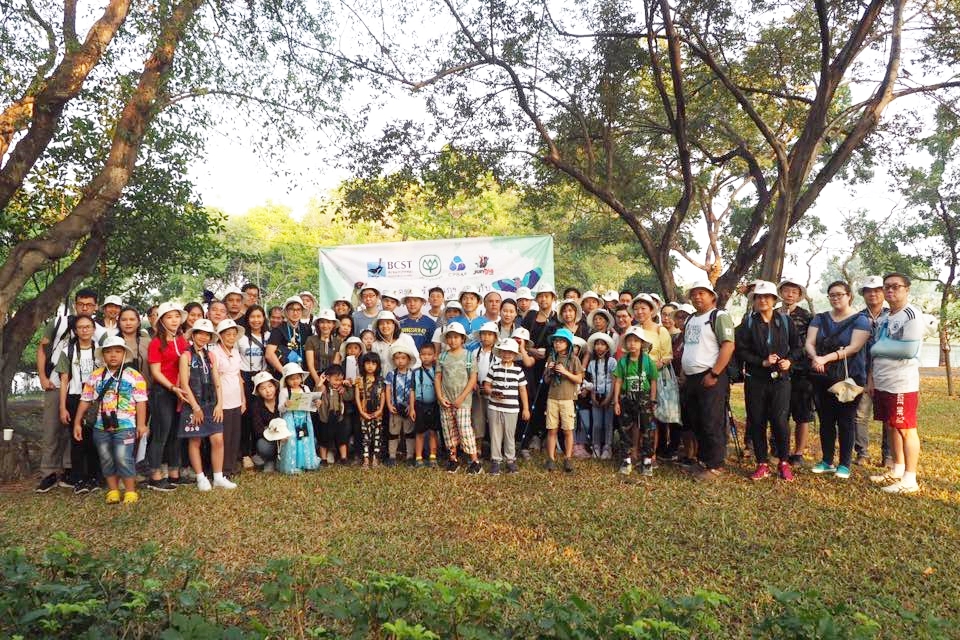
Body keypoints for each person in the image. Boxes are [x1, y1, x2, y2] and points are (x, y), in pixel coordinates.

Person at [36, 288, 105, 492]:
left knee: (77, 431)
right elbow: (42, 349)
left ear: (95, 307)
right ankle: (48, 472)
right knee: (52, 429)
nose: (84, 308)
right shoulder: (59, 323)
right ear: (75, 304)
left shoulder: (99, 332)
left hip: (88, 392)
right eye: (81, 304)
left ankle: (71, 470)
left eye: (89, 305)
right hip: (57, 384)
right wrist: (42, 376)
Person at [735, 281, 802, 482]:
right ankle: (762, 463)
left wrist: (789, 361)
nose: (763, 300)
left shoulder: (785, 321)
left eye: (767, 297)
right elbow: (741, 351)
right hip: (755, 379)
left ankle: (783, 462)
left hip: (781, 379)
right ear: (754, 300)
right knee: (757, 420)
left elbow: (798, 347)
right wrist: (762, 362)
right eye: (759, 297)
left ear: (774, 300)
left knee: (780, 421)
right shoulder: (748, 323)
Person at [805, 281, 871, 479]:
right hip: (822, 375)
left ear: (849, 295)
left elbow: (854, 347)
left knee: (846, 420)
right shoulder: (820, 318)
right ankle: (827, 460)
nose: (835, 298)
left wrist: (825, 358)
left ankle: (844, 463)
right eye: (832, 295)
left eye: (839, 294)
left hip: (849, 378)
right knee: (826, 419)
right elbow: (809, 342)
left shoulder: (861, 320)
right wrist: (815, 357)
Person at [73, 336, 149, 504]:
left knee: (123, 458)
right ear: (103, 355)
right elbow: (85, 399)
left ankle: (130, 491)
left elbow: (141, 401)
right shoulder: (95, 376)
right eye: (108, 352)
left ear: (124, 354)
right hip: (101, 426)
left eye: (117, 351)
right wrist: (77, 422)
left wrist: (141, 424)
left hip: (126, 425)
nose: (113, 355)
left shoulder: (134, 376)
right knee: (106, 458)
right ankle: (113, 490)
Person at [868, 273, 924, 494]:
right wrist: (872, 377)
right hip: (883, 379)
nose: (890, 290)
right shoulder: (885, 317)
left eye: (896, 286)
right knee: (891, 426)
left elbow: (909, 350)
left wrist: (879, 348)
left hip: (902, 383)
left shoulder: (911, 315)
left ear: (906, 289)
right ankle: (897, 469)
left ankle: (910, 479)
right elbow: (875, 352)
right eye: (887, 287)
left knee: (906, 428)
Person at [681, 281, 736, 482]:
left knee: (712, 421)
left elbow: (728, 346)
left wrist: (714, 374)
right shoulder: (691, 319)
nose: (697, 297)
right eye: (694, 294)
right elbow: (689, 347)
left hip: (711, 376)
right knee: (697, 421)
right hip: (692, 378)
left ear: (712, 296)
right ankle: (703, 461)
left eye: (701, 293)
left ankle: (715, 465)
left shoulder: (718, 316)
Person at [178, 319, 237, 490]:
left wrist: (219, 404)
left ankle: (218, 477)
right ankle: (200, 477)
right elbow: (184, 384)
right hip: (193, 403)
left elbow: (217, 382)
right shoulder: (186, 356)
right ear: (193, 335)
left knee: (218, 439)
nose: (203, 337)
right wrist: (195, 407)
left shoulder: (211, 356)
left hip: (211, 403)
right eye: (200, 333)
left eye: (207, 335)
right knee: (195, 440)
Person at [146, 303, 189, 492]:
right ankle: (155, 476)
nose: (174, 320)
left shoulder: (181, 340)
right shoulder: (156, 342)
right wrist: (172, 387)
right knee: (161, 434)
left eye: (177, 316)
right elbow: (155, 372)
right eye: (169, 317)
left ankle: (174, 473)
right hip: (163, 392)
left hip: (180, 392)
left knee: (176, 434)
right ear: (161, 320)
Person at [57, 314, 102, 493]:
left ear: (93, 329)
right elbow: (64, 380)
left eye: (88, 327)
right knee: (77, 439)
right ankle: (78, 479)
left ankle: (94, 477)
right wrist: (62, 407)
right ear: (75, 330)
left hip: (96, 399)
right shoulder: (67, 350)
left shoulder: (100, 350)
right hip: (75, 397)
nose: (84, 330)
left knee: (94, 438)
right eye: (80, 327)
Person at [777, 277, 815, 466]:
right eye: (786, 291)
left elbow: (811, 342)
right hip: (778, 370)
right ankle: (778, 449)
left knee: (802, 414)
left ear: (800, 295)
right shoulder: (773, 313)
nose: (790, 294)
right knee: (778, 412)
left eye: (794, 291)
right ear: (781, 293)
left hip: (801, 371)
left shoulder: (807, 316)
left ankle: (798, 453)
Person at [435, 324, 482, 474]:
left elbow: (473, 378)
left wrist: (461, 398)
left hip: (463, 402)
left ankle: (475, 461)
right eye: (449, 337)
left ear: (462, 339)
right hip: (446, 401)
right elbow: (438, 377)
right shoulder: (442, 357)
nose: (452, 340)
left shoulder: (469, 356)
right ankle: (453, 460)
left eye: (456, 337)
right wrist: (440, 396)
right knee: (448, 430)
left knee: (465, 429)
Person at [519, 282, 559, 458]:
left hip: (548, 366)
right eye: (540, 296)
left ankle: (542, 435)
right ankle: (528, 438)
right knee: (530, 399)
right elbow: (522, 339)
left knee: (544, 401)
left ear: (553, 298)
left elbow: (559, 344)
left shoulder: (557, 320)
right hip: (530, 365)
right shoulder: (530, 317)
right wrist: (532, 351)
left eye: (547, 296)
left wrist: (548, 355)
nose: (543, 299)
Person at [613, 326, 659, 476]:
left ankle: (647, 460)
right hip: (626, 397)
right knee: (625, 429)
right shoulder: (622, 361)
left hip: (644, 398)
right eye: (629, 341)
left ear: (642, 343)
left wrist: (652, 400)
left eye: (636, 341)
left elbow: (653, 380)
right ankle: (626, 459)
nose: (632, 344)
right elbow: (618, 381)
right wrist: (616, 401)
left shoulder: (647, 361)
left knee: (647, 429)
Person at [855, 276, 890, 467]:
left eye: (877, 290)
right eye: (868, 291)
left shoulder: (892, 315)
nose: (873, 294)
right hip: (861, 373)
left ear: (884, 292)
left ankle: (888, 456)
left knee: (888, 416)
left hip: (887, 374)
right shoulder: (858, 318)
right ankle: (862, 453)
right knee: (860, 415)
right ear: (863, 294)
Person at [483, 339, 530, 474]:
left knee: (510, 434)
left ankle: (510, 460)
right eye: (504, 352)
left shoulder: (518, 370)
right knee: (495, 434)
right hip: (494, 407)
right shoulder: (494, 368)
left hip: (512, 408)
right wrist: (492, 392)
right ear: (500, 353)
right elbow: (487, 385)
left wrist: (526, 408)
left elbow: (522, 390)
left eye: (510, 352)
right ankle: (496, 460)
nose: (507, 355)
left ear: (515, 355)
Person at [543, 327, 585, 473]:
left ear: (568, 343)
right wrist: (549, 371)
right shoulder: (551, 358)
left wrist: (565, 372)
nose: (557, 344)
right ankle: (550, 458)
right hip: (552, 397)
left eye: (561, 341)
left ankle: (568, 458)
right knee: (551, 429)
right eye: (555, 341)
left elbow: (579, 379)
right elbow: (546, 381)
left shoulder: (574, 359)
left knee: (567, 430)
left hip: (567, 399)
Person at [211, 319, 246, 476]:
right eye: (228, 334)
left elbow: (239, 376)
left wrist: (243, 399)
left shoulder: (236, 352)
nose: (231, 337)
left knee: (234, 434)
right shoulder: (215, 352)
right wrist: (219, 402)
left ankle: (231, 466)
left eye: (233, 334)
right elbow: (215, 378)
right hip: (222, 399)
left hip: (236, 398)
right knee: (223, 435)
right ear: (220, 335)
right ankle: (222, 468)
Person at [238, 305, 270, 466]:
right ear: (247, 319)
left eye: (259, 316)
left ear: (264, 318)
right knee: (245, 415)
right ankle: (245, 453)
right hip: (245, 376)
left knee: (259, 413)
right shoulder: (240, 337)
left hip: (263, 377)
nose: (256, 320)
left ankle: (259, 450)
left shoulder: (269, 335)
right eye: (252, 317)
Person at [277, 361, 321, 474]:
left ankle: (307, 462)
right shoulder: (284, 391)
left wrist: (316, 403)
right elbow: (280, 409)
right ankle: (292, 464)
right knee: (292, 440)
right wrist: (285, 405)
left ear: (301, 378)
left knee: (305, 439)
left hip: (304, 418)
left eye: (297, 378)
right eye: (291, 379)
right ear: (286, 380)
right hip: (290, 419)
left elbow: (311, 404)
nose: (295, 381)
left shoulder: (305, 388)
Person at [585, 332, 617, 460]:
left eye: (602, 344)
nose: (599, 347)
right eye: (597, 344)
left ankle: (607, 447)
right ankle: (596, 446)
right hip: (596, 395)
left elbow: (614, 380)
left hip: (608, 395)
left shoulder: (612, 362)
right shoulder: (592, 363)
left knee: (608, 423)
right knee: (597, 424)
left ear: (607, 347)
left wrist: (609, 398)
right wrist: (592, 396)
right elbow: (592, 380)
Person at [385, 343, 417, 466]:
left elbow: (413, 391)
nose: (400, 361)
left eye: (403, 358)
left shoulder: (412, 374)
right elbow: (388, 389)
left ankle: (410, 455)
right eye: (397, 358)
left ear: (408, 360)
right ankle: (392, 456)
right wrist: (389, 404)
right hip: (394, 408)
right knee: (393, 433)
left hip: (408, 408)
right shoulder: (391, 374)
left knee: (409, 432)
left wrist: (411, 406)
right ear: (394, 360)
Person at [265, 296, 311, 375]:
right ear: (286, 311)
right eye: (291, 309)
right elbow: (269, 354)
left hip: (303, 373)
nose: (295, 313)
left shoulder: (307, 329)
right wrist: (285, 373)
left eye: (298, 309)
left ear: (302, 311)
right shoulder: (278, 329)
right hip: (283, 374)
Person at [355, 352, 386, 468]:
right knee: (366, 436)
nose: (370, 366)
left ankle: (376, 459)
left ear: (378, 366)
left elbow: (383, 396)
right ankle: (366, 459)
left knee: (377, 435)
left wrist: (380, 410)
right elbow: (357, 397)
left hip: (378, 413)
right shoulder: (359, 380)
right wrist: (361, 412)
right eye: (367, 363)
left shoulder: (381, 380)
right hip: (364, 412)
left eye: (373, 363)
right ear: (363, 365)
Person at [315, 364, 350, 464]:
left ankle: (344, 458)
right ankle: (323, 459)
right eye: (336, 380)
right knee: (323, 439)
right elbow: (316, 395)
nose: (338, 382)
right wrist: (320, 383)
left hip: (339, 418)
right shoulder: (323, 388)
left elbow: (349, 397)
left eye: (340, 380)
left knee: (342, 438)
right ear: (328, 378)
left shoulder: (341, 389)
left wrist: (348, 387)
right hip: (325, 418)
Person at [412, 343, 440, 467]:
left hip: (434, 404)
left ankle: (433, 457)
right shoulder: (415, 372)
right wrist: (412, 408)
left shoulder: (437, 371)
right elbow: (412, 391)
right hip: (419, 405)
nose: (426, 357)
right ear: (419, 356)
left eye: (429, 354)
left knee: (433, 432)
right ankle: (418, 458)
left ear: (434, 356)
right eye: (423, 354)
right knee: (419, 432)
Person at [250, 371, 281, 472]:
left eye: (270, 386)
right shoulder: (256, 405)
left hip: (285, 436)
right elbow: (258, 430)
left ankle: (283, 459)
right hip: (268, 437)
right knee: (263, 446)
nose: (268, 391)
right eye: (263, 388)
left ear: (275, 386)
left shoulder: (283, 399)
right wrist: (272, 431)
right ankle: (269, 460)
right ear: (258, 391)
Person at [305, 309, 342, 390]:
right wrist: (319, 382)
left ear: (333, 324)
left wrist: (331, 381)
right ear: (318, 324)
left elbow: (335, 364)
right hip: (313, 377)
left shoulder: (337, 342)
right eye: (322, 322)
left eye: (329, 322)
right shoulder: (311, 340)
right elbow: (310, 365)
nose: (325, 325)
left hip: (330, 379)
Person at [117, 307, 152, 387]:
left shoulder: (148, 342)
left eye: (132, 319)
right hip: (120, 390)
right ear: (119, 322)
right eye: (124, 320)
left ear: (138, 322)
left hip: (147, 389)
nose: (128, 323)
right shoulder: (114, 343)